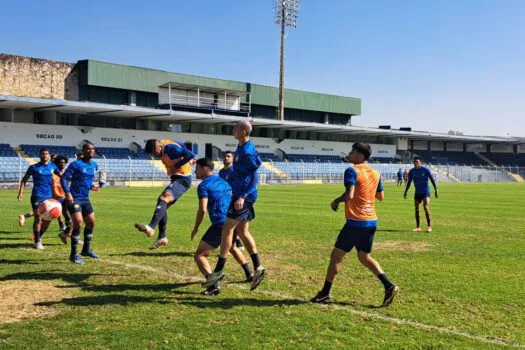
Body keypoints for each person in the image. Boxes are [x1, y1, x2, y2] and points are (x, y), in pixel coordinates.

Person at [310, 143, 398, 307]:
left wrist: (336, 200)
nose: (349, 154)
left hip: (356, 222)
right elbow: (381, 196)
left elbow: (349, 195)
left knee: (336, 256)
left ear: (360, 155)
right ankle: (389, 285)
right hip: (371, 221)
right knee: (364, 257)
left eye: (352, 152)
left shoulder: (352, 170)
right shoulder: (375, 172)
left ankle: (324, 293)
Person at [203, 120, 266, 291]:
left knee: (227, 229)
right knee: (243, 232)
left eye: (237, 127)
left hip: (243, 197)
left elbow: (254, 177)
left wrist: (243, 196)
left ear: (244, 131)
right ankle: (258, 267)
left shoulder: (248, 150)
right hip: (241, 195)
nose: (233, 129)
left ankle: (218, 271)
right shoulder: (240, 147)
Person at [192, 158, 253, 295]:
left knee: (200, 255)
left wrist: (196, 228)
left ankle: (213, 285)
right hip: (233, 220)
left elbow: (202, 210)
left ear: (204, 168)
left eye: (197, 168)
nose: (195, 171)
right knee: (231, 247)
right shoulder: (223, 182)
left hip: (220, 223)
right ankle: (249, 273)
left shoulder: (203, 186)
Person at [134, 139, 194, 249]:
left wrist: (176, 166)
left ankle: (151, 227)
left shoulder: (171, 148)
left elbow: (190, 154)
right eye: (152, 153)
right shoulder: (166, 145)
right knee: (162, 205)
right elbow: (182, 145)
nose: (154, 154)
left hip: (183, 178)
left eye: (154, 151)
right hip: (177, 177)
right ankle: (162, 237)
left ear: (160, 146)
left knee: (163, 198)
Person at [61, 142, 100, 264]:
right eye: (87, 149)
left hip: (85, 199)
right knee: (78, 223)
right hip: (74, 198)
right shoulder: (75, 164)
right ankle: (73, 255)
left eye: (92, 149)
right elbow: (63, 178)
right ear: (82, 152)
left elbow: (85, 180)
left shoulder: (94, 165)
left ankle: (86, 250)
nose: (90, 151)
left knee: (91, 223)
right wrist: (68, 193)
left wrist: (91, 186)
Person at [17, 149, 59, 249]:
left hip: (49, 197)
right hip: (37, 196)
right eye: (43, 154)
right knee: (38, 218)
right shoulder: (33, 167)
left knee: (48, 219)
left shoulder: (53, 167)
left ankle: (38, 236)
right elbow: (24, 180)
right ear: (40, 155)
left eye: (46, 154)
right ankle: (37, 241)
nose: (44, 155)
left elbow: (62, 177)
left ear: (49, 156)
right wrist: (20, 193)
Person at [404, 157, 438, 233]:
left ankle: (429, 226)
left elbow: (432, 180)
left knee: (426, 207)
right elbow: (409, 182)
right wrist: (406, 191)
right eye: (415, 161)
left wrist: (436, 190)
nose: (417, 163)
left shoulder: (425, 170)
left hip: (426, 192)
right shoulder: (412, 171)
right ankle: (418, 226)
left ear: (421, 162)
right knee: (417, 209)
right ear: (414, 163)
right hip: (417, 193)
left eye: (418, 161)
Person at [218, 150, 244, 251]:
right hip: (224, 200)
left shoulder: (235, 171)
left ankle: (235, 242)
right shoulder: (221, 172)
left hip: (234, 199)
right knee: (225, 222)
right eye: (225, 156)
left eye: (229, 156)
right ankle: (235, 241)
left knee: (233, 222)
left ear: (232, 159)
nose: (226, 158)